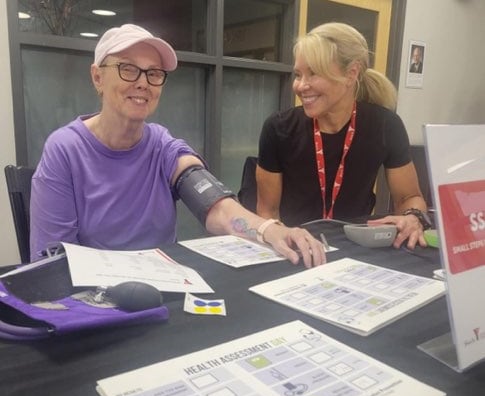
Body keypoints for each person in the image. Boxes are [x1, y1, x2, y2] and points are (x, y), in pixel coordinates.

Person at [29, 24, 325, 268]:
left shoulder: (162, 145)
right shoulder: (64, 150)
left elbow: (216, 206)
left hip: (162, 292)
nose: (143, 83)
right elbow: (50, 262)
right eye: (128, 69)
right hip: (96, 300)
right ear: (97, 76)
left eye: (154, 73)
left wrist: (268, 230)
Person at [256, 22, 431, 250]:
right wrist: (283, 240)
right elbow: (267, 213)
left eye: (314, 73)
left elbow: (409, 198)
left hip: (356, 247)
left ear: (351, 74)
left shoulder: (385, 125)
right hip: (296, 247)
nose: (300, 86)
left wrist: (413, 218)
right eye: (298, 75)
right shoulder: (278, 128)